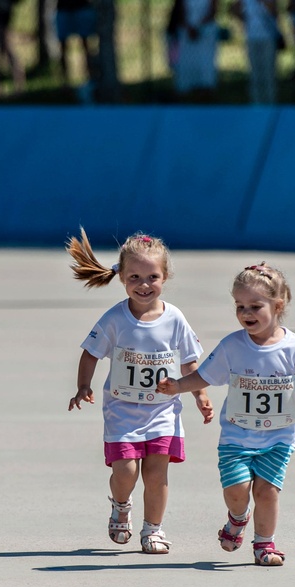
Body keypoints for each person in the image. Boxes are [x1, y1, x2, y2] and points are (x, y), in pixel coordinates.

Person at [156, 262, 295, 566]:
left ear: (278, 305)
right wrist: (178, 386)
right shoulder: (233, 345)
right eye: (240, 306)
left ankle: (265, 545)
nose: (246, 313)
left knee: (267, 491)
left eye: (255, 306)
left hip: (278, 437)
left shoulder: (294, 346)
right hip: (236, 436)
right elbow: (206, 375)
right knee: (237, 492)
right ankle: (237, 517)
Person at [66, 228, 213, 554]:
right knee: (126, 472)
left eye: (152, 277)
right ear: (121, 278)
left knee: (157, 473)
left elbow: (189, 362)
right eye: (135, 277)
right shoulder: (115, 319)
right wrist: (82, 387)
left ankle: (153, 530)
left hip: (163, 411)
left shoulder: (175, 319)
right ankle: (121, 505)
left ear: (165, 276)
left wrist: (200, 396)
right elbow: (91, 352)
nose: (144, 285)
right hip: (122, 412)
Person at [168, 0, 219, 99]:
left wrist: (198, 27)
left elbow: (213, 10)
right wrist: (189, 27)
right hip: (186, 33)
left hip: (206, 33)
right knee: (187, 66)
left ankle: (205, 95)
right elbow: (179, 9)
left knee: (205, 67)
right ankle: (185, 96)